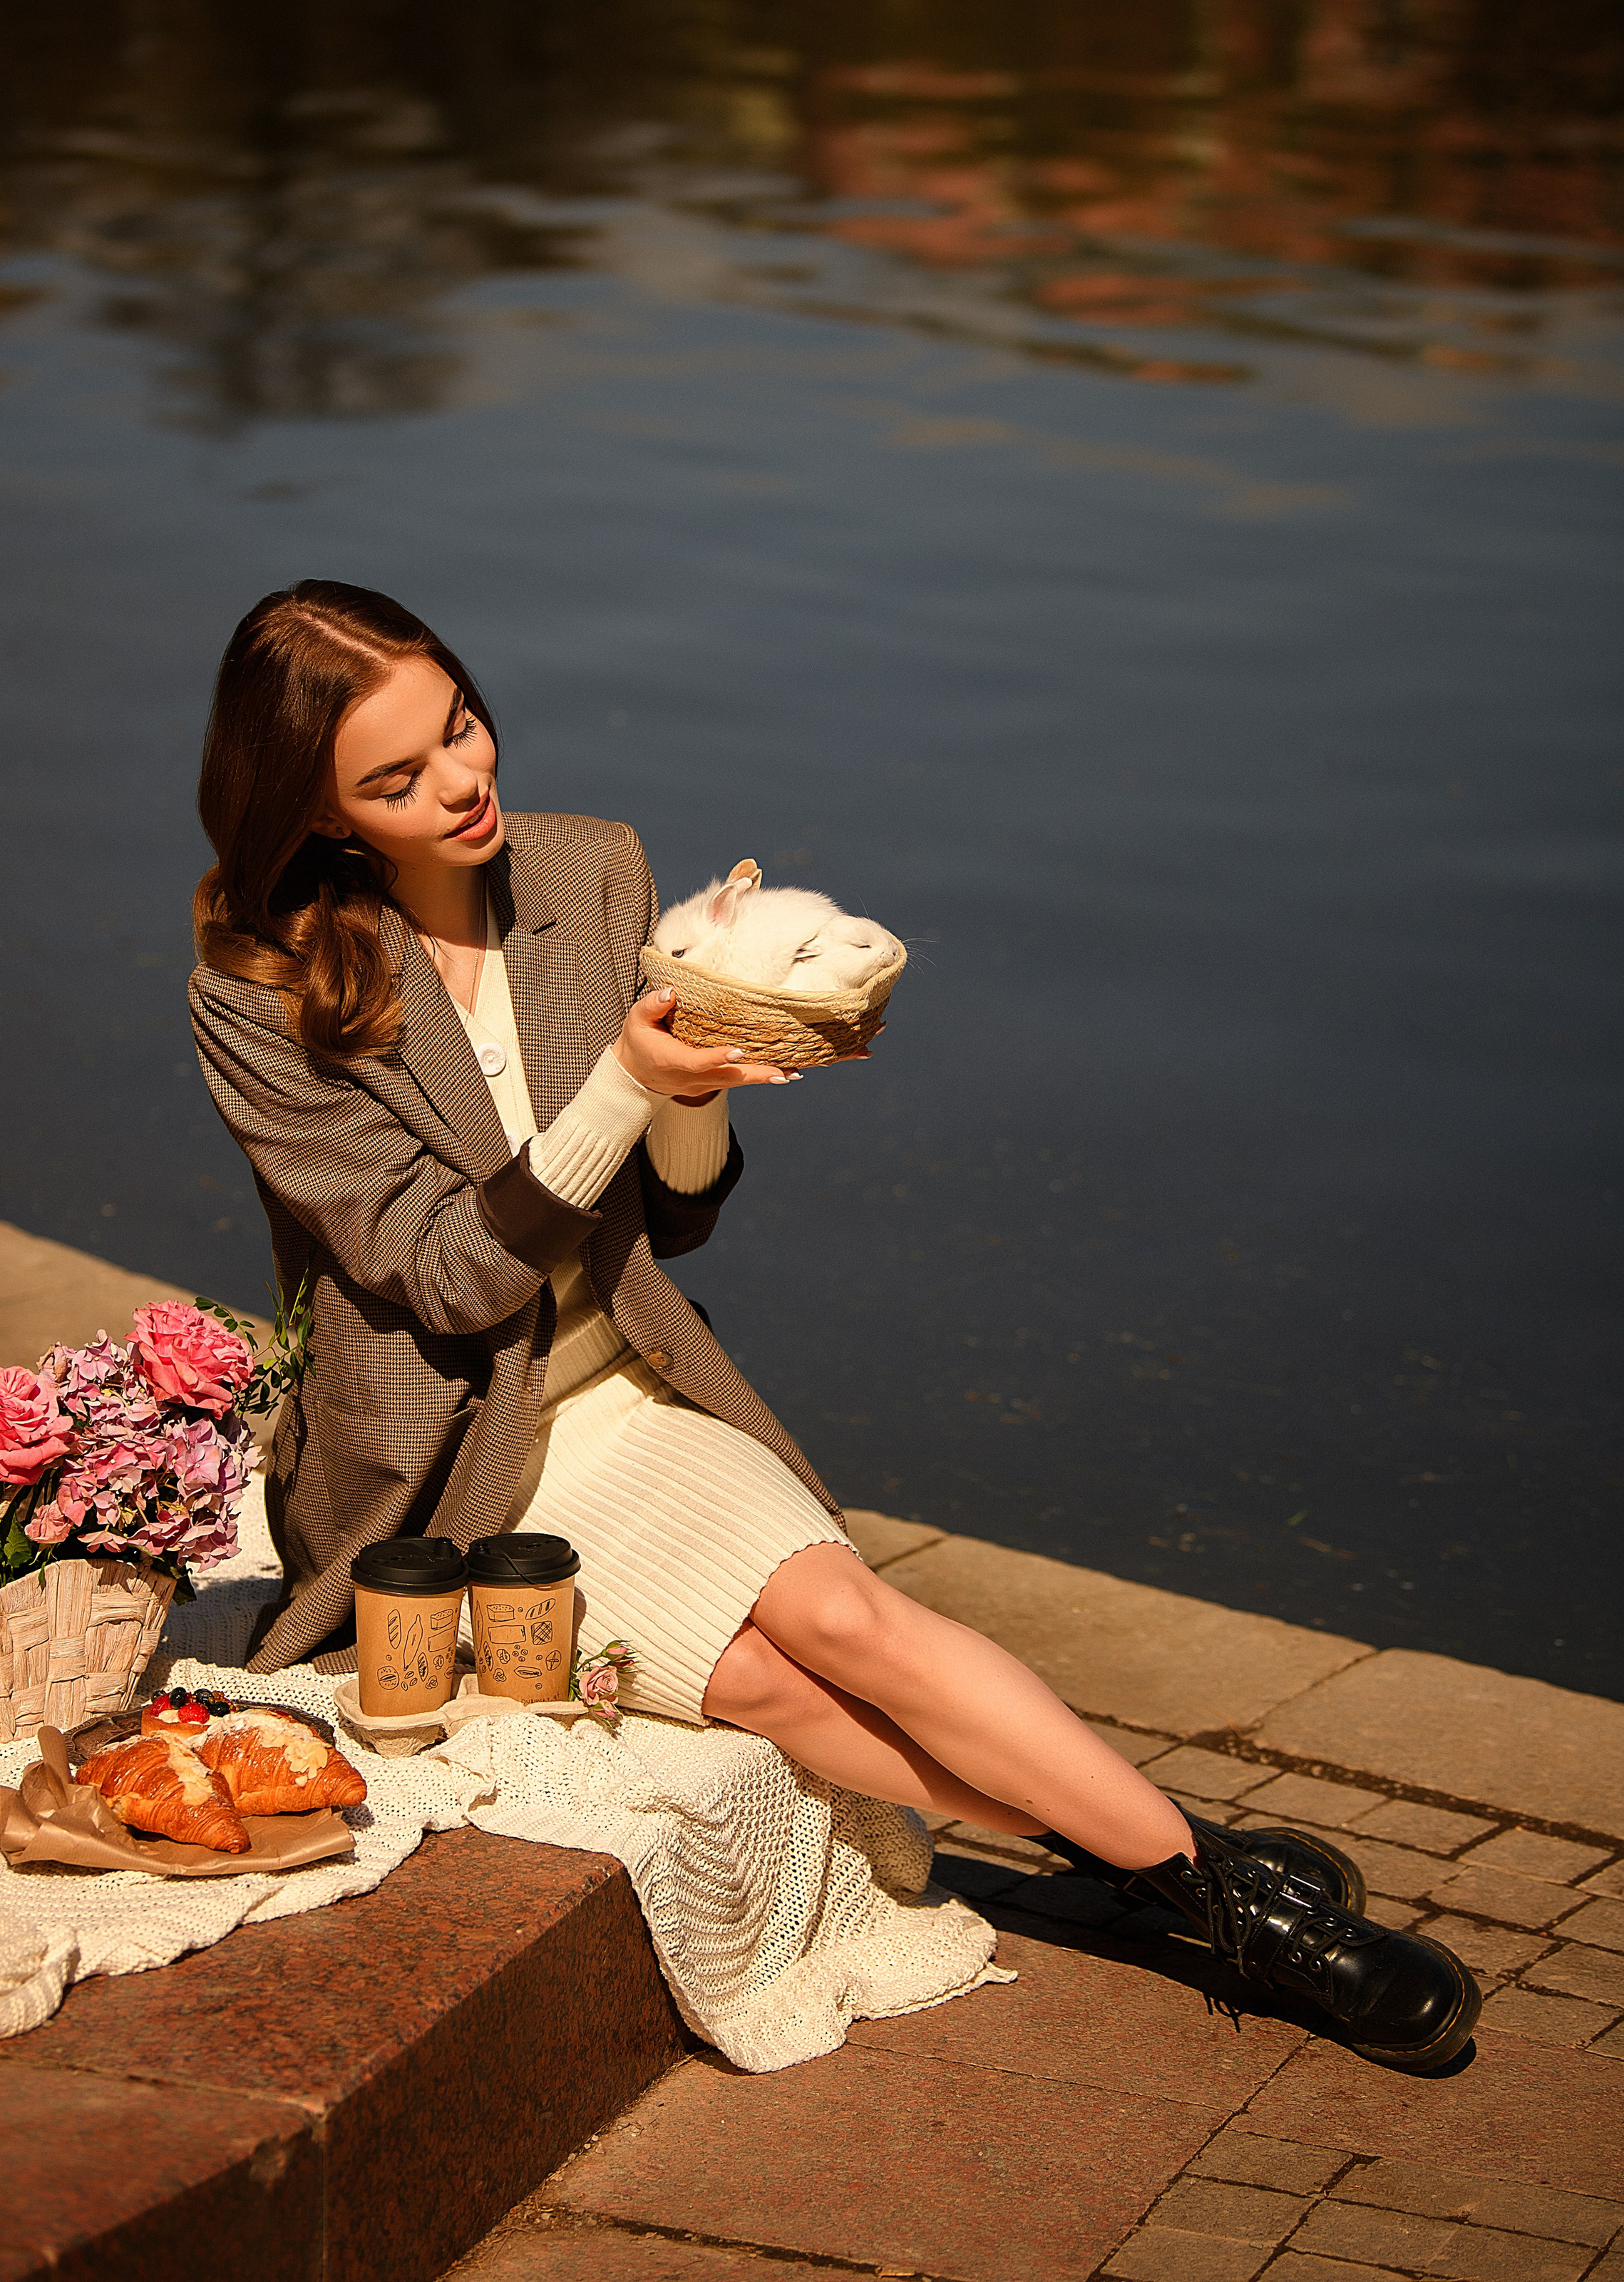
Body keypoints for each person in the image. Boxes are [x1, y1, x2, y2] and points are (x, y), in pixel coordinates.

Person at [189, 580, 1478, 2073]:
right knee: (762, 1687)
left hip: (625, 1388)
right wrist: (626, 1078)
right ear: (326, 813)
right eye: (398, 778)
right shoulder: (261, 982)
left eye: (460, 726)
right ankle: (1185, 1867)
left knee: (843, 1619)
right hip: (459, 1473)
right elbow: (444, 1277)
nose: (465, 781)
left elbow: (672, 1220)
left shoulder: (587, 868)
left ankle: (1238, 1914)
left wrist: (701, 1083)